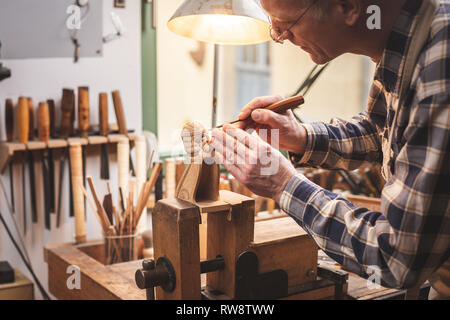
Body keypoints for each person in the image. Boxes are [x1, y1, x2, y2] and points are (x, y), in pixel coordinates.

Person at [211, 0, 449, 299]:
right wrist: (301, 137)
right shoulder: (405, 45)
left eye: (284, 22)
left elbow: (396, 257)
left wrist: (282, 185)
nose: (279, 36)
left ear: (348, 7)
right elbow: (385, 132)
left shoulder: (440, 64)